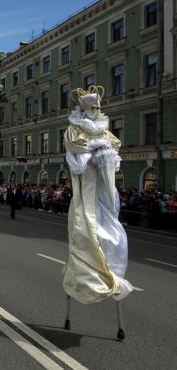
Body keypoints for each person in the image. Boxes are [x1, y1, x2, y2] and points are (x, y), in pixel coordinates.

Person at [62, 86, 133, 304]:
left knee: (114, 236)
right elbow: (78, 162)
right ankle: (86, 280)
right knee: (85, 232)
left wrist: (108, 156)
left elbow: (115, 155)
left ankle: (111, 274)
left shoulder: (105, 132)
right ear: (82, 110)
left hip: (105, 192)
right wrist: (95, 151)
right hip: (87, 194)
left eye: (96, 108)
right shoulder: (74, 131)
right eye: (90, 108)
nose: (94, 111)